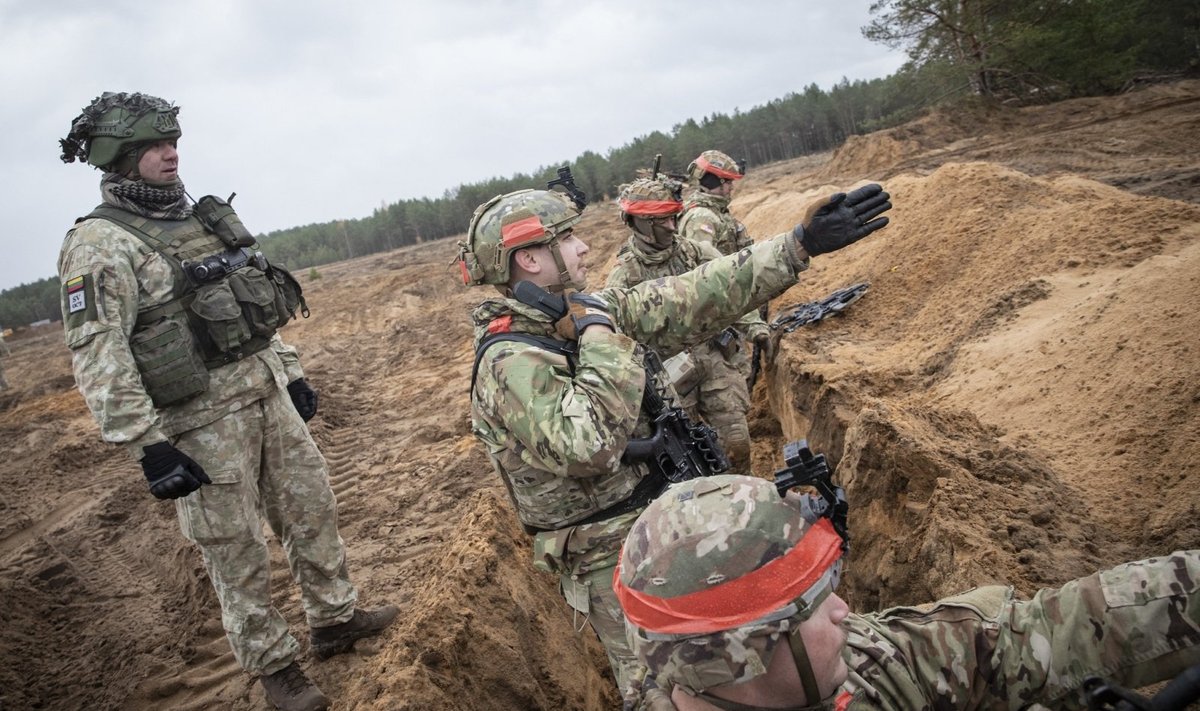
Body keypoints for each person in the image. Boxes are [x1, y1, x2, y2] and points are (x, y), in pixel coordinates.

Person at [456, 176, 891, 703]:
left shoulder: (575, 313)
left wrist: (798, 245)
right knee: (663, 691)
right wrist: (600, 337)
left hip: (661, 521)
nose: (584, 246)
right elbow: (587, 443)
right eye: (567, 238)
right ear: (529, 259)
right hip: (612, 559)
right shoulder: (510, 360)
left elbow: (690, 296)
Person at [57, 92, 397, 711]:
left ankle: (335, 619)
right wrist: (147, 446)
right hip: (200, 421)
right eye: (155, 147)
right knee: (234, 548)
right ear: (122, 158)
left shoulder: (196, 218)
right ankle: (275, 669)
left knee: (310, 509)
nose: (172, 153)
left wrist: (288, 370)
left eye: (172, 142)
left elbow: (251, 304)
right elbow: (99, 352)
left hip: (266, 394)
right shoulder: (99, 245)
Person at [614, 474, 1200, 710]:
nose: (846, 612)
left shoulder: (860, 663)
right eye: (814, 606)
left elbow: (1039, 632)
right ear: (739, 655)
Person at [604, 177, 770, 475]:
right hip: (669, 380)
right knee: (690, 458)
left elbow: (733, 285)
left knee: (736, 442)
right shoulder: (624, 277)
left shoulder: (694, 253)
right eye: (662, 221)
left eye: (673, 218)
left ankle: (743, 492)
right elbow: (614, 340)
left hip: (715, 358)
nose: (671, 227)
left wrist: (754, 325)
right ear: (639, 224)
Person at [676, 150, 764, 386]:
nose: (731, 188)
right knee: (731, 384)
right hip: (715, 316)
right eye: (728, 182)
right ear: (717, 182)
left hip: (726, 308)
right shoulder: (701, 218)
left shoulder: (716, 214)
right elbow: (708, 275)